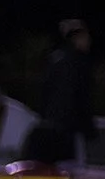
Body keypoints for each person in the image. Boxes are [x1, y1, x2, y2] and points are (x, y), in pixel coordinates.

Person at [20, 18, 97, 167]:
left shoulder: (55, 59)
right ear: (77, 38)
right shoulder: (79, 63)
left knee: (50, 170)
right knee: (72, 169)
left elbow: (43, 94)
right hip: (69, 129)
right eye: (86, 37)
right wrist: (88, 128)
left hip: (50, 126)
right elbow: (81, 98)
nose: (88, 41)